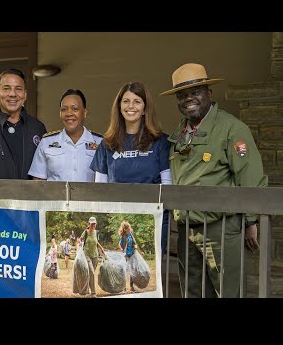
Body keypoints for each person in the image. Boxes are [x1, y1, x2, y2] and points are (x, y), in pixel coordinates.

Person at [160, 63, 268, 298]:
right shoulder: (180, 132)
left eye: (195, 92)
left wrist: (251, 222)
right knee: (192, 291)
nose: (188, 99)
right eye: (182, 95)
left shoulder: (231, 128)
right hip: (187, 228)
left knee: (227, 291)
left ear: (209, 92)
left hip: (220, 228)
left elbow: (249, 175)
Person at [90, 81, 172, 253]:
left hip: (153, 218)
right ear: (119, 107)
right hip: (118, 217)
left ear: (145, 108)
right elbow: (99, 191)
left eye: (137, 101)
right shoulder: (106, 144)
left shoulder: (161, 142)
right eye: (126, 101)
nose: (131, 106)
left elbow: (167, 186)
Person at [28, 89, 103, 181]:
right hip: (55, 196)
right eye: (64, 109)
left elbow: (106, 181)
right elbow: (38, 181)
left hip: (89, 196)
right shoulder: (47, 142)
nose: (69, 113)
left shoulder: (100, 143)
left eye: (75, 109)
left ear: (85, 113)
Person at [79, 216, 105, 298]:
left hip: (95, 255)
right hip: (87, 255)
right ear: (89, 224)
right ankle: (93, 293)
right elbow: (80, 239)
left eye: (94, 223)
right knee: (92, 272)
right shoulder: (85, 232)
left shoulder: (96, 232)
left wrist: (101, 248)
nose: (93, 225)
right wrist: (80, 243)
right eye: (92, 223)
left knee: (91, 274)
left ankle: (89, 289)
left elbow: (96, 242)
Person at [118, 221, 137, 292]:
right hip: (125, 255)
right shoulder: (123, 236)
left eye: (130, 228)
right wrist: (122, 251)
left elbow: (134, 242)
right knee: (125, 271)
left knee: (132, 270)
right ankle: (124, 288)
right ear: (125, 229)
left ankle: (131, 287)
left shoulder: (131, 234)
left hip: (132, 254)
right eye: (128, 228)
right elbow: (119, 244)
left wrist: (135, 248)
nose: (130, 229)